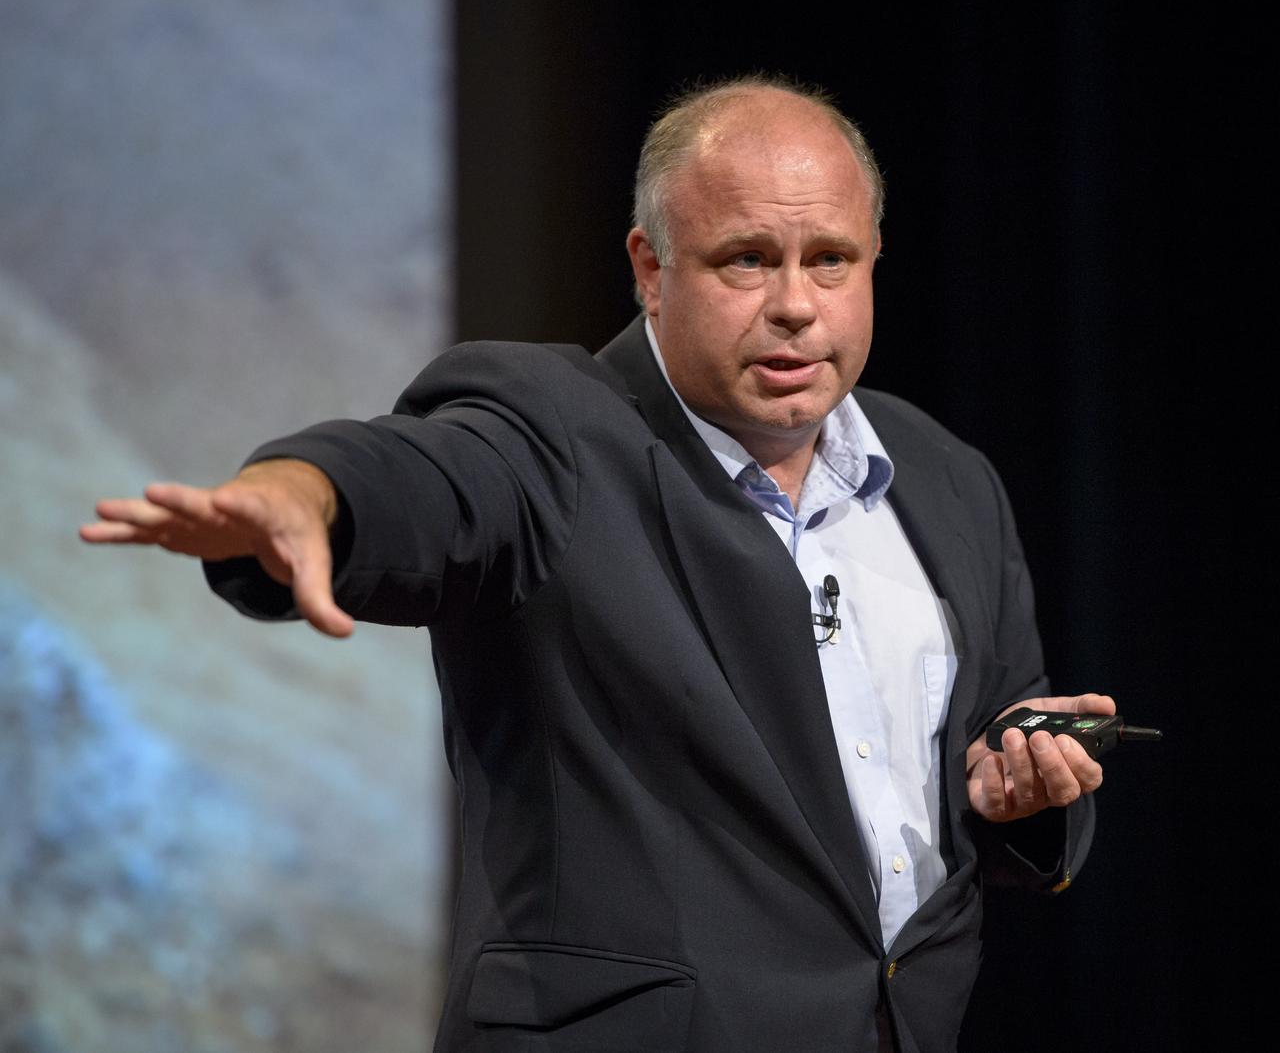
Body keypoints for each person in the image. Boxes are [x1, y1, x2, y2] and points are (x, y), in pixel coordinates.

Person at [83, 77, 1115, 1052]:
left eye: (830, 260)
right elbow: (420, 475)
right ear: (649, 268)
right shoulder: (559, 436)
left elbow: (997, 730)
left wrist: (1019, 790)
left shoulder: (943, 479)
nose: (796, 305)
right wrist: (303, 494)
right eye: (746, 260)